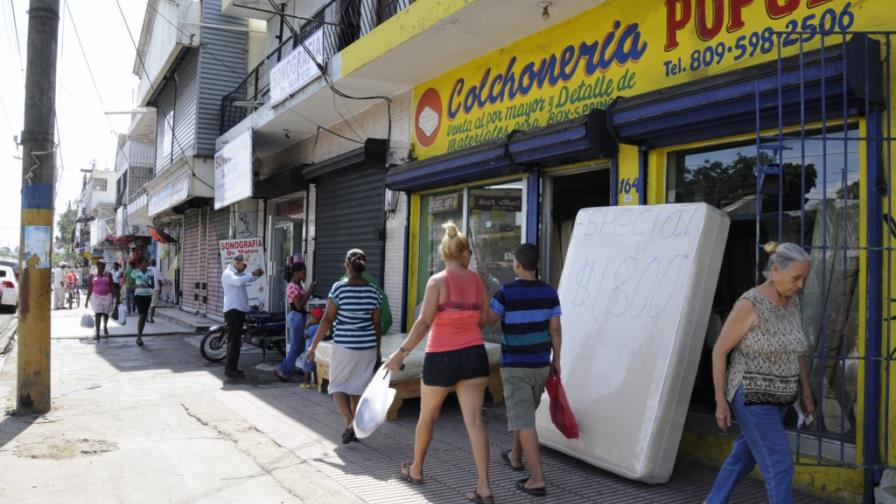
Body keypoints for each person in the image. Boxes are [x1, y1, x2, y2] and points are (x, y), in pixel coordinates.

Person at [384, 222, 493, 504]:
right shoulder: (478, 281)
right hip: (474, 355)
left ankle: (417, 469)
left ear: (444, 253)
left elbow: (423, 323)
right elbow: (483, 320)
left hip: (441, 357)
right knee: (475, 422)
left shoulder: (438, 282)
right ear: (463, 253)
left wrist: (400, 353)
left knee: (427, 417)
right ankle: (484, 487)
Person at [706, 242, 816, 504]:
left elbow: (796, 348)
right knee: (780, 466)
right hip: (752, 396)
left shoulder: (792, 302)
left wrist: (806, 389)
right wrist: (721, 401)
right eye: (796, 278)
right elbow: (719, 351)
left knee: (743, 457)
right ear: (775, 270)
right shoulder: (750, 303)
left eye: (804, 278)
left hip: (781, 397)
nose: (800, 285)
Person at [483, 243, 561, 497]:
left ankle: (537, 479)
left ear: (517, 263)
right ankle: (515, 456)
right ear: (536, 264)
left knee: (523, 419)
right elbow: (556, 330)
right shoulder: (550, 292)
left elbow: (488, 320)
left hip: (516, 365)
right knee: (524, 413)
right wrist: (556, 360)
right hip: (541, 365)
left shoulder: (506, 293)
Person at [308, 249, 382, 444]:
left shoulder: (339, 289)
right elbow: (376, 323)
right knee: (357, 388)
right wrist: (378, 350)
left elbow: (327, 319)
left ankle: (350, 422)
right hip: (367, 347)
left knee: (337, 387)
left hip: (345, 347)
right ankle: (354, 427)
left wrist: (313, 346)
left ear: (348, 265)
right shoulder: (374, 291)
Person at [221, 254, 264, 379]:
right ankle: (230, 369)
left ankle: (232, 367)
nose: (245, 267)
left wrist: (256, 275)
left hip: (239, 311)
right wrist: (252, 274)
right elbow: (238, 282)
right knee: (234, 342)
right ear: (237, 263)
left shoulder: (239, 274)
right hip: (233, 311)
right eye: (243, 265)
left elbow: (248, 279)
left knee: (236, 341)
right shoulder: (228, 273)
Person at [273, 262, 316, 382]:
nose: (306, 275)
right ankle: (287, 371)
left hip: (299, 317)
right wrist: (310, 291)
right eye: (304, 272)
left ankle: (283, 368)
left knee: (300, 347)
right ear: (297, 273)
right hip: (296, 317)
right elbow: (299, 305)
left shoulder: (298, 285)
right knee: (295, 346)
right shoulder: (292, 286)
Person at [85, 261, 115, 339]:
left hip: (107, 296)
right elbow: (90, 288)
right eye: (100, 266)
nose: (102, 268)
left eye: (103, 266)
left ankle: (105, 326)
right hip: (96, 296)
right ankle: (98, 333)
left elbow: (112, 286)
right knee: (98, 313)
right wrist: (86, 300)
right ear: (97, 266)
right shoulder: (92, 275)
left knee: (105, 314)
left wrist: (116, 297)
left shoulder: (109, 275)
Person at [130, 258, 155, 347]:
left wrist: (147, 284)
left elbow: (153, 286)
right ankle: (139, 337)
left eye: (147, 261)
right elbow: (130, 286)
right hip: (138, 296)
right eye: (146, 261)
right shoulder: (135, 272)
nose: (148, 263)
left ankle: (140, 336)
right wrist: (138, 285)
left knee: (144, 317)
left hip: (148, 296)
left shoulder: (150, 272)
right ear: (141, 263)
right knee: (142, 316)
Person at [300, 306, 324, 389]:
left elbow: (305, 336)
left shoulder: (312, 327)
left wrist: (307, 325)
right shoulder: (322, 327)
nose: (310, 318)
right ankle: (316, 382)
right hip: (318, 351)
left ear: (316, 318)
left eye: (311, 317)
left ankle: (307, 382)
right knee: (316, 367)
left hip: (310, 351)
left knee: (307, 367)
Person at [148, 259, 161, 323]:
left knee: (147, 304)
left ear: (150, 263)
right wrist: (160, 288)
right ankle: (151, 318)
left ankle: (146, 318)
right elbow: (160, 280)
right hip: (155, 289)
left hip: (146, 289)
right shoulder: (157, 270)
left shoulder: (146, 269)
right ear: (155, 263)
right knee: (153, 304)